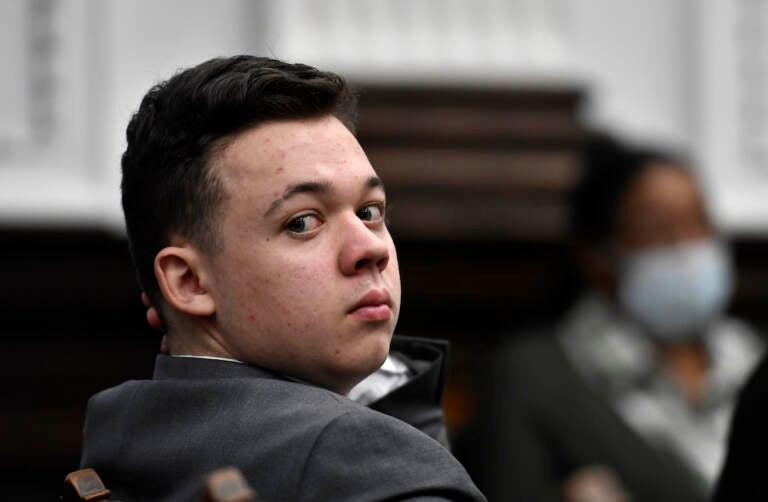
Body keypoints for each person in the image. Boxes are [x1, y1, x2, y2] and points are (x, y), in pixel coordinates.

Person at [78, 55, 485, 502]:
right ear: (190, 282)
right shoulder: (357, 456)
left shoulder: (125, 435)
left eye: (369, 212)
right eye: (302, 222)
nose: (371, 249)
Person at [469, 134, 763, 501]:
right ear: (597, 257)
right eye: (659, 230)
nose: (687, 247)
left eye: (699, 222)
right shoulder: (535, 376)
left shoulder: (751, 355)